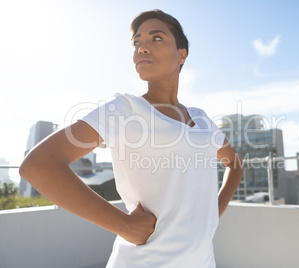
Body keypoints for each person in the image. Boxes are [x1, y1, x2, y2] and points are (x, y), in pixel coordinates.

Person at [19, 9, 244, 267]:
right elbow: (38, 166)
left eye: (156, 38)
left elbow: (235, 163)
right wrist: (123, 225)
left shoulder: (201, 118)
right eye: (137, 42)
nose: (142, 48)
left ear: (181, 55)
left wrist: (217, 209)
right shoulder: (125, 109)